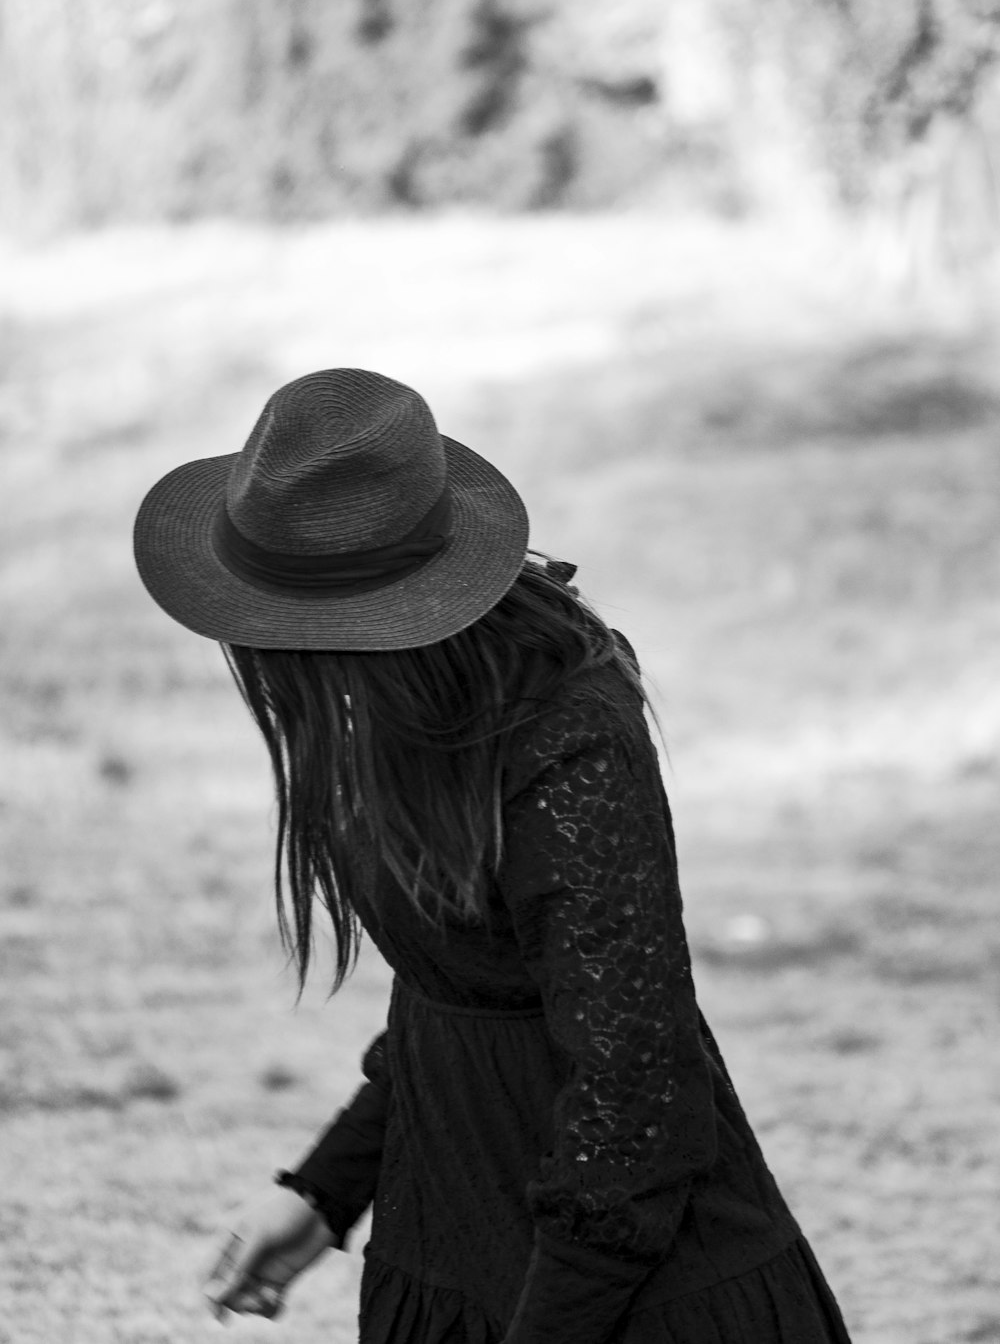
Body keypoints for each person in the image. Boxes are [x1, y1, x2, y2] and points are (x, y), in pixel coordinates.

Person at [133, 368, 853, 1343]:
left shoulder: (568, 739)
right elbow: (456, 994)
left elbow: (633, 1091)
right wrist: (323, 1192)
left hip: (615, 1296)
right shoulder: (389, 710)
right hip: (450, 1242)